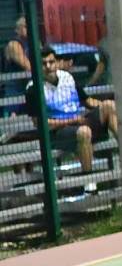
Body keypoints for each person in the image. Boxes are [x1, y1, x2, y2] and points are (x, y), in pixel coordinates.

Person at [27, 47, 98, 186]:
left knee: (109, 107)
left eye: (51, 62)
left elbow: (88, 101)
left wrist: (106, 105)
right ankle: (90, 182)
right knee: (84, 132)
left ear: (57, 62)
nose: (48, 66)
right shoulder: (33, 88)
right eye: (43, 63)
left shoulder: (68, 78)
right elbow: (40, 124)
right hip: (55, 133)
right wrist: (72, 120)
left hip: (78, 123)